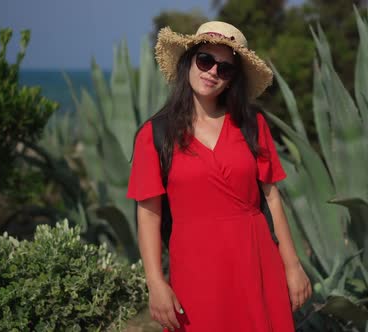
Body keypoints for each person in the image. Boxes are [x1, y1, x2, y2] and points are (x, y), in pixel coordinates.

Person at [127, 21, 311, 332]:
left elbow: (271, 197)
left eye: (225, 69)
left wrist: (293, 266)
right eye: (205, 60)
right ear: (189, 61)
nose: (212, 72)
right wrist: (155, 283)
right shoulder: (155, 134)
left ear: (232, 80)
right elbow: (148, 214)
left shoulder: (253, 125)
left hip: (256, 261)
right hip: (194, 270)